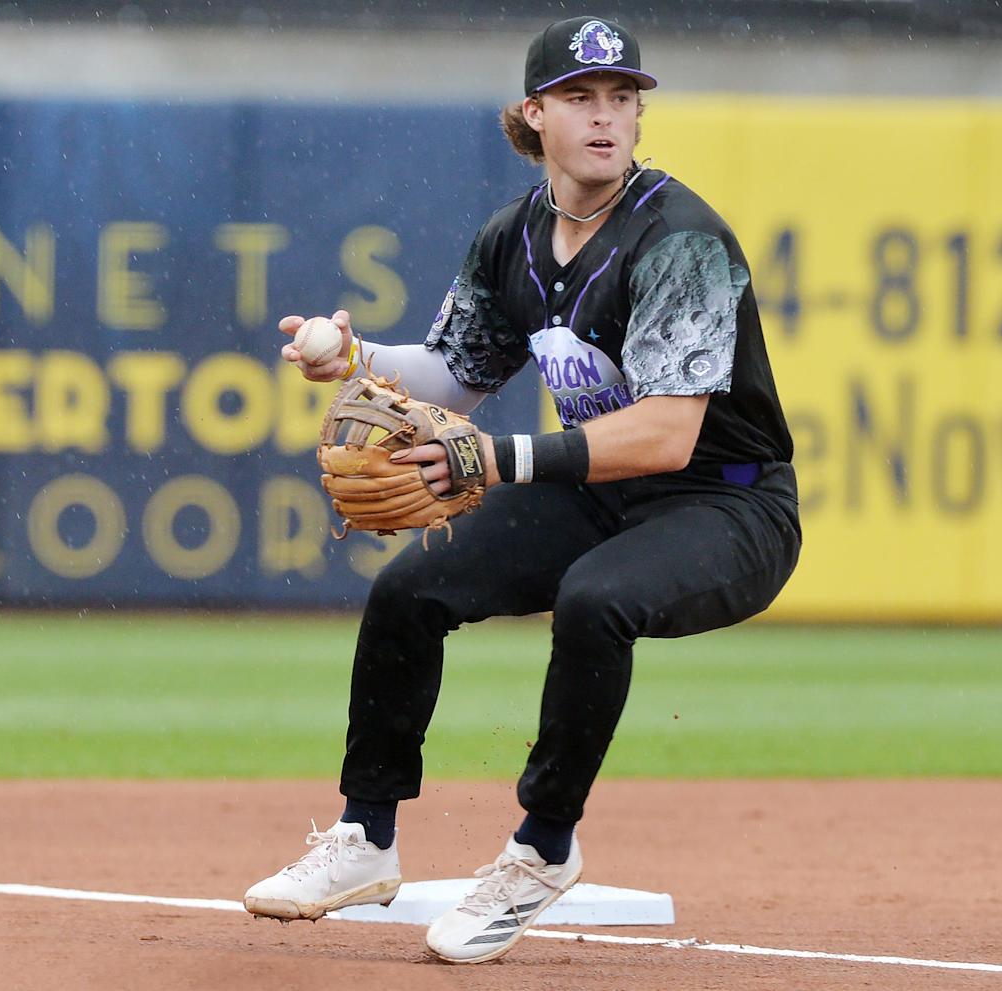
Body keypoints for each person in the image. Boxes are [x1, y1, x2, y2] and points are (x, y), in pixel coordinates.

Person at [244, 14, 800, 965]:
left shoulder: (681, 241)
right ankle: (363, 837)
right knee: (409, 587)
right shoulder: (515, 237)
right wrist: (353, 357)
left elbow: (669, 432)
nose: (606, 117)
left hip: (729, 503)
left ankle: (543, 848)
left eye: (622, 97)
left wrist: (497, 459)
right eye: (581, 98)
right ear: (534, 116)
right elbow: (456, 374)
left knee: (596, 599)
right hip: (601, 493)